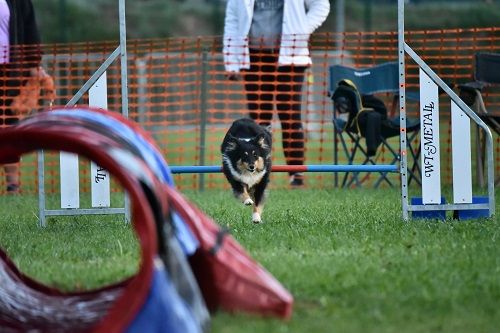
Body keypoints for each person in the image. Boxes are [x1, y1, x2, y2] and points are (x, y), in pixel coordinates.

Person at [223, 0, 330, 187]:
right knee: (258, 121)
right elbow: (232, 20)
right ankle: (258, 174)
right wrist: (231, 60)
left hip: (290, 58)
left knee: (290, 117)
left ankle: (296, 175)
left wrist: (301, 30)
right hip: (254, 57)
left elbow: (321, 5)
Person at [0, 0, 51, 193]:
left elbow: (30, 30)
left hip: (9, 71)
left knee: (9, 124)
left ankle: (13, 184)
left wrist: (34, 65)